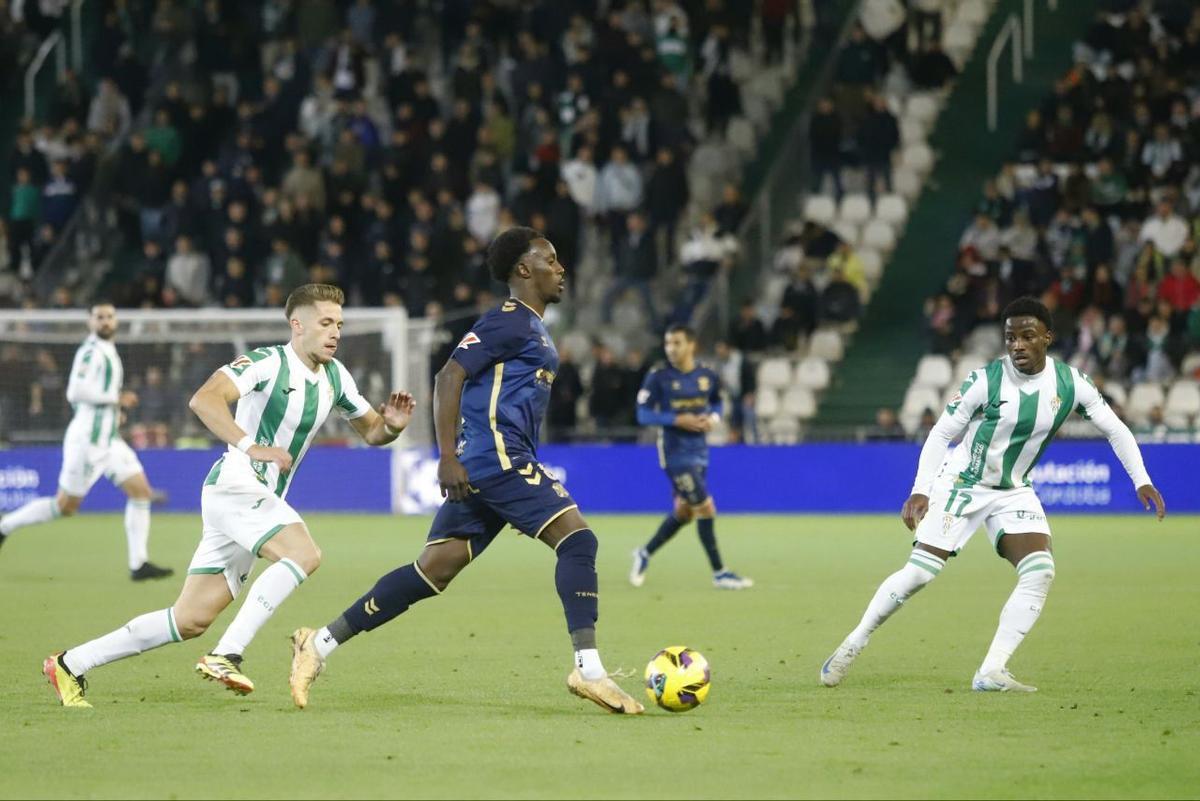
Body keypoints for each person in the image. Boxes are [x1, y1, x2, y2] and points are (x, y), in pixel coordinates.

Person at [287, 228, 644, 715]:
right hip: (497, 457)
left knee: (431, 571)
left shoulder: (533, 326)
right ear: (524, 270)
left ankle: (318, 644)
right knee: (578, 541)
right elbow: (449, 375)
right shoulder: (508, 320)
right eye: (550, 260)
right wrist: (447, 457)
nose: (561, 268)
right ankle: (589, 669)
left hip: (493, 460)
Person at [43, 285, 415, 707]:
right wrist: (251, 446)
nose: (335, 333)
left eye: (340, 324)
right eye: (326, 323)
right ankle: (227, 654)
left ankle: (70, 663)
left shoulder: (336, 376)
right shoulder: (267, 362)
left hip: (250, 499)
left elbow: (372, 431)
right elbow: (204, 399)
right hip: (235, 485)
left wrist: (392, 426)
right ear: (297, 325)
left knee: (189, 619)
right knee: (303, 553)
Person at [819, 297, 1165, 693]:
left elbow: (1116, 429)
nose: (1017, 345)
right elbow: (941, 433)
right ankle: (854, 642)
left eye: (1027, 336)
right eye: (1010, 337)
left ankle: (991, 671)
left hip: (1013, 490)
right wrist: (921, 490)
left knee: (1040, 571)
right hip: (963, 483)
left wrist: (1141, 479)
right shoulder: (986, 380)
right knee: (920, 573)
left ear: (1047, 338)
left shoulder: (1071, 384)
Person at [0, 303, 172, 581]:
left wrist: (115, 413)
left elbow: (96, 395)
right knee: (65, 506)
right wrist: (116, 399)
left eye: (109, 317)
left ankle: (138, 564)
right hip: (88, 442)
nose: (105, 321)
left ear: (116, 321)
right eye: (99, 317)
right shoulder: (90, 352)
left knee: (141, 491)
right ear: (90, 323)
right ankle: (5, 526)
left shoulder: (108, 350)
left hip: (109, 440)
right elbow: (75, 391)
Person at [630, 325, 753, 590]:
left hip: (700, 451)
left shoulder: (706, 375)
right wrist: (677, 419)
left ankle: (644, 553)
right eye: (668, 343)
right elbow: (643, 414)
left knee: (685, 512)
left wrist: (713, 419)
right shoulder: (659, 376)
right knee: (706, 507)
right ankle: (720, 573)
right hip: (674, 454)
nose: (671, 349)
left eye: (677, 343)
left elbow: (717, 402)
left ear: (691, 345)